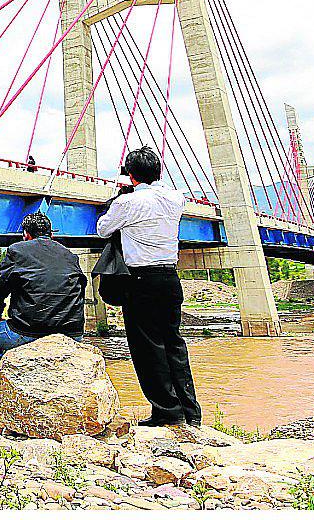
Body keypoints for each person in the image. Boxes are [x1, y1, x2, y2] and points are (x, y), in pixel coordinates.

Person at [96, 146, 201, 427]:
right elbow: (161, 194)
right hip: (169, 278)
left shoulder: (127, 203)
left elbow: (103, 229)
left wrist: (121, 195)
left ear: (131, 175)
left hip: (140, 280)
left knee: (147, 348)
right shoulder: (175, 198)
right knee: (174, 344)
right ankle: (190, 412)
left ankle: (166, 411)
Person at [0, 212, 86, 412]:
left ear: (26, 234)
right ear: (51, 235)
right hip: (72, 333)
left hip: (30, 330)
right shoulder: (70, 255)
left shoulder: (17, 251)